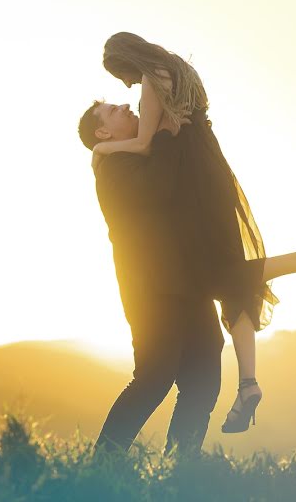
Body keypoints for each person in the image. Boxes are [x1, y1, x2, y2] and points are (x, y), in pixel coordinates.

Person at [89, 32, 296, 433]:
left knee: (212, 309)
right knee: (165, 367)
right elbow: (156, 176)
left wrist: (113, 147)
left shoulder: (150, 90)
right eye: (113, 108)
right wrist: (118, 149)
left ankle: (186, 462)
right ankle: (247, 379)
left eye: (124, 82)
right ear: (104, 132)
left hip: (196, 206)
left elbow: (150, 150)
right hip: (170, 256)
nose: (126, 96)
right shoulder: (122, 153)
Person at [79, 101, 223, 456]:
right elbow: (158, 187)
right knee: (154, 376)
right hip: (151, 292)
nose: (126, 105)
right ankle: (104, 459)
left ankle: (179, 464)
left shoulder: (135, 153)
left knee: (203, 377)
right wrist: (168, 134)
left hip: (188, 284)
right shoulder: (112, 167)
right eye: (114, 110)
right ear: (103, 133)